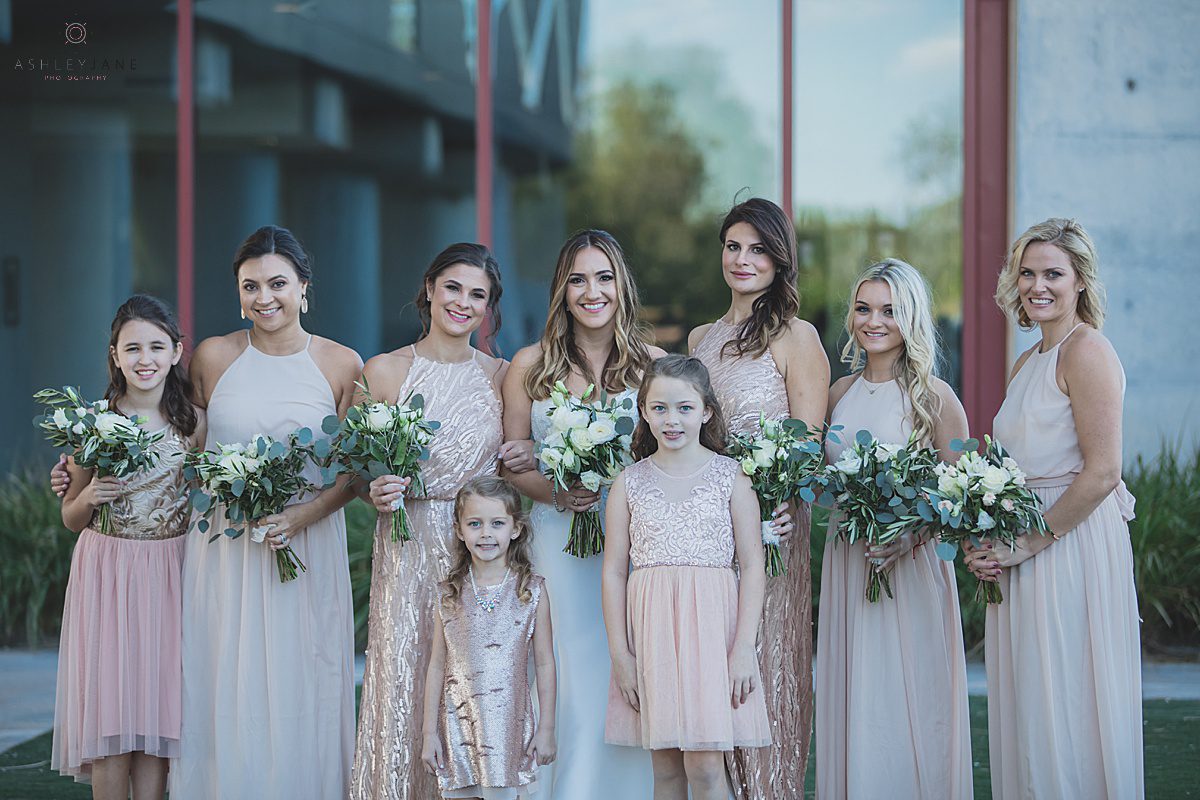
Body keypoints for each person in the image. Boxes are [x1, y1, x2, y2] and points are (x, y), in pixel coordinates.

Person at [964, 218, 1143, 799]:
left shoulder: (1087, 351)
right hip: (1022, 543)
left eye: (1054, 274)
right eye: (1028, 273)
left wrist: (1027, 542)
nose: (1038, 285)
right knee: (1030, 701)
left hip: (1070, 544)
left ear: (1081, 282)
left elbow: (1102, 472)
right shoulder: (1026, 362)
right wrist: (984, 538)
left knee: (1067, 696)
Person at [351, 243, 534, 800]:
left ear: (488, 308)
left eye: (477, 294)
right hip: (408, 547)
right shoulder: (382, 370)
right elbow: (356, 471)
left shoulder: (503, 375)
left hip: (477, 553)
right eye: (452, 287)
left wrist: (530, 458)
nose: (462, 302)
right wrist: (374, 491)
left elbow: (515, 459)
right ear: (429, 288)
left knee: (475, 683)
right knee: (406, 677)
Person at [501, 230, 664, 797]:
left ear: (622, 286)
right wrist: (557, 492)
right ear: (561, 291)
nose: (591, 292)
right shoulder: (529, 366)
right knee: (562, 671)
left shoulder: (655, 366)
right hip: (555, 546)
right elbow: (512, 465)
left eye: (603, 277)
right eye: (577, 279)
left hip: (636, 550)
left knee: (628, 667)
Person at [815, 259, 972, 799]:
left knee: (910, 697)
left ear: (912, 318)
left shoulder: (935, 398)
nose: (873, 321)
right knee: (857, 692)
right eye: (863, 309)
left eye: (889, 310)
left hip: (909, 567)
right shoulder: (837, 394)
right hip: (848, 559)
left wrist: (909, 534)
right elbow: (818, 474)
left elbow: (958, 494)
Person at [689, 197, 827, 798]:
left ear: (780, 261)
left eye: (759, 249)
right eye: (733, 246)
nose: (743, 260)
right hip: (702, 536)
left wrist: (776, 495)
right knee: (709, 680)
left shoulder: (797, 338)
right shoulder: (698, 338)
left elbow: (810, 444)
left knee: (762, 673)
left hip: (770, 537)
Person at [51, 295, 204, 800]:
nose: (145, 359)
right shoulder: (93, 424)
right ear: (114, 355)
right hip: (108, 573)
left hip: (170, 571)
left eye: (157, 347)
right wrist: (88, 494)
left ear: (177, 352)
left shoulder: (193, 425)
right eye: (132, 347)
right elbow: (71, 517)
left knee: (159, 724)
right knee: (111, 723)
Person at [602, 355, 771, 800]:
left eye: (684, 408)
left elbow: (753, 565)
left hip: (713, 637)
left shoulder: (730, 478)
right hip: (653, 635)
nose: (671, 420)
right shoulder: (629, 483)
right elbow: (615, 571)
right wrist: (621, 655)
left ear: (707, 411)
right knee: (665, 765)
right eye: (658, 408)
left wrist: (743, 651)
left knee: (705, 765)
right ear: (642, 411)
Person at [420, 476, 556, 799]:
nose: (486, 534)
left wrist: (547, 728)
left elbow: (546, 663)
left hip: (509, 729)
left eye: (497, 523)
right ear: (459, 530)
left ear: (516, 528)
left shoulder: (531, 591)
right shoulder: (449, 594)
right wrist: (429, 733)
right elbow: (437, 666)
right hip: (458, 726)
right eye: (475, 524)